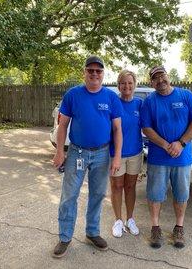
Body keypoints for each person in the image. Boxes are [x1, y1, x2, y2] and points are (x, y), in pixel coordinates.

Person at [52, 56, 123, 258]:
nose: (94, 74)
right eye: (90, 70)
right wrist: (59, 151)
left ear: (103, 74)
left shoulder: (110, 98)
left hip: (102, 153)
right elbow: (63, 125)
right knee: (69, 196)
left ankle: (92, 232)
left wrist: (116, 157)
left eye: (98, 71)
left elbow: (117, 129)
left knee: (98, 194)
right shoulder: (73, 95)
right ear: (84, 72)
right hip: (77, 152)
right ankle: (65, 237)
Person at [140, 66, 192, 249]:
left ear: (169, 77)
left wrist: (181, 143)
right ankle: (155, 228)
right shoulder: (149, 102)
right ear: (151, 83)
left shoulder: (186, 96)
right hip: (158, 157)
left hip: (182, 157)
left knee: (181, 194)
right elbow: (146, 128)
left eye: (162, 76)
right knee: (155, 195)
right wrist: (165, 145)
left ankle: (179, 228)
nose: (160, 80)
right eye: (155, 78)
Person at [109, 70, 143, 238]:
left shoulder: (139, 104)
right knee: (117, 187)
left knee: (130, 187)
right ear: (119, 85)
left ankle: (130, 219)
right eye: (123, 83)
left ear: (134, 84)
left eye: (130, 83)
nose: (127, 86)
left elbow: (149, 126)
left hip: (135, 153)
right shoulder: (114, 102)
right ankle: (118, 221)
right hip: (116, 154)